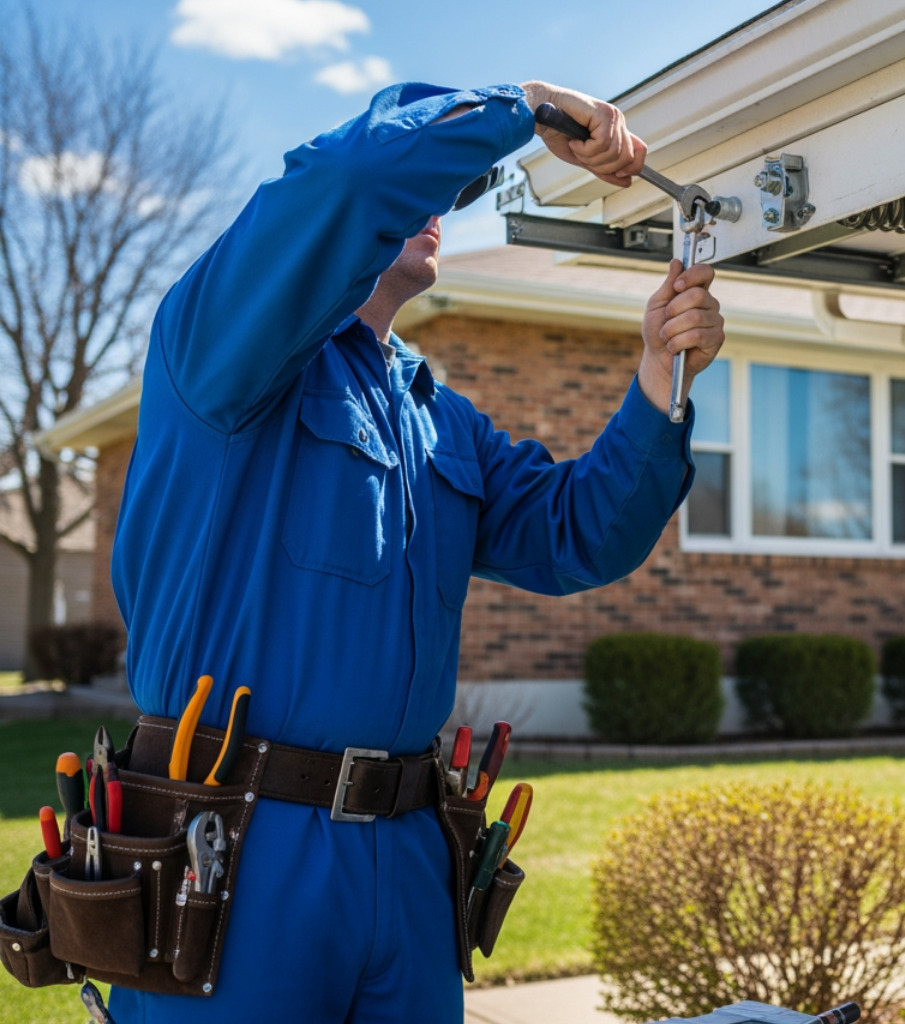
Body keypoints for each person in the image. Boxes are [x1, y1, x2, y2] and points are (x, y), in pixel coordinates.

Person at [108, 81, 723, 1023]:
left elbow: (581, 535)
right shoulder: (221, 348)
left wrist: (656, 376)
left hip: (411, 853)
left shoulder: (439, 418)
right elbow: (354, 177)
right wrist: (524, 108)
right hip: (235, 847)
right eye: (427, 182)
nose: (437, 204)